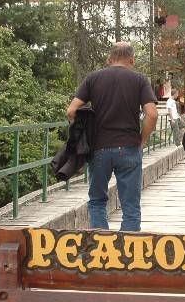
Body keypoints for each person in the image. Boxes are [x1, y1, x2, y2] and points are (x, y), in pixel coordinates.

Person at [66, 42, 158, 231]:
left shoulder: (93, 78)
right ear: (132, 60)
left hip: (99, 148)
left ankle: (101, 244)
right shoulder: (139, 80)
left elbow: (71, 111)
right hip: (129, 147)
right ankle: (129, 246)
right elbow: (152, 114)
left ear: (110, 59)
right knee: (130, 206)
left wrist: (83, 135)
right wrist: (142, 140)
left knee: (97, 201)